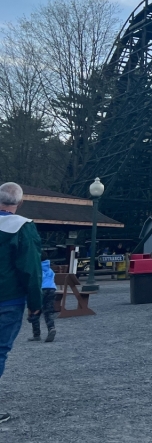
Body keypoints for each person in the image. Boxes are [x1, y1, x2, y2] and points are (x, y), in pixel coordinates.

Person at [0, 182, 42, 424]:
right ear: (21, 203)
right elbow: (31, 269)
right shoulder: (23, 228)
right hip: (8, 299)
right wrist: (35, 302)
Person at [27, 259, 57, 343]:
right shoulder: (50, 269)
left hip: (41, 290)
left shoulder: (37, 268)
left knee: (35, 309)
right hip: (52, 289)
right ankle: (51, 328)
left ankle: (36, 335)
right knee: (48, 311)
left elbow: (34, 281)